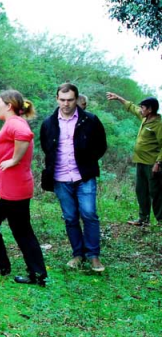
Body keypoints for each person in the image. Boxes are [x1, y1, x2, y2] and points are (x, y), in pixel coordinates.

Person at [0, 90, 48, 286]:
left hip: (6, 190)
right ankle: (37, 273)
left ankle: (1, 265)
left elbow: (25, 135)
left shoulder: (15, 123)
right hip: (14, 188)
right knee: (22, 230)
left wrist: (14, 160)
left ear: (9, 106)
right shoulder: (9, 124)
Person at [40, 83, 107, 272]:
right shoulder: (49, 123)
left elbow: (101, 145)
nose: (66, 104)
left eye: (70, 100)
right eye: (62, 100)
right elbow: (47, 147)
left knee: (89, 214)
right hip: (61, 177)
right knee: (70, 217)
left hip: (84, 176)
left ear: (76, 100)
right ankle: (77, 254)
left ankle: (93, 256)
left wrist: (87, 161)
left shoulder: (90, 120)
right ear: (57, 99)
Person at [106, 92, 162, 225]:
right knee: (141, 190)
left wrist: (158, 163)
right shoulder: (144, 118)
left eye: (143, 108)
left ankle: (160, 221)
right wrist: (119, 98)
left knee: (155, 192)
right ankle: (143, 219)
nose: (141, 109)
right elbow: (132, 107)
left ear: (150, 109)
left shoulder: (158, 125)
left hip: (152, 164)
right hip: (140, 162)